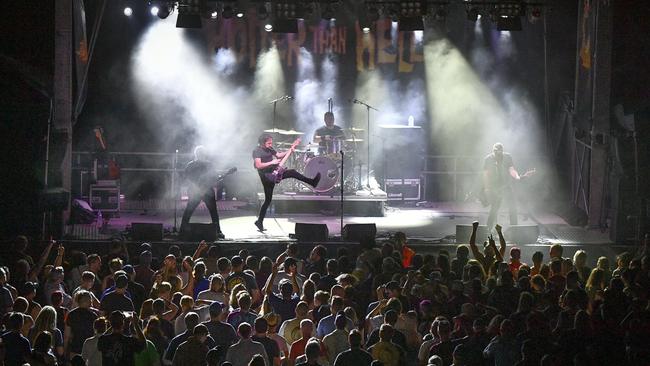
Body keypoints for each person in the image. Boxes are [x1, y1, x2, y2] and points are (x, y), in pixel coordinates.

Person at [253, 134, 320, 232]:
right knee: (268, 199)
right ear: (263, 142)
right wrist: (272, 162)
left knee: (291, 173)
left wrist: (290, 149)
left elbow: (278, 155)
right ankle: (312, 182)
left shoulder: (270, 148)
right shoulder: (257, 151)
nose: (271, 144)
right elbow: (258, 165)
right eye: (269, 143)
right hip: (267, 176)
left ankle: (259, 221)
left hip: (274, 172)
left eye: (271, 142)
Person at [482, 143, 533, 231]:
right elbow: (486, 174)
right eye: (497, 153)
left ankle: (514, 229)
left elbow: (511, 169)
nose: (499, 155)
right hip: (495, 188)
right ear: (493, 152)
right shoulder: (488, 159)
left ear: (502, 151)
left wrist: (518, 177)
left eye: (500, 153)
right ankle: (488, 229)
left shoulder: (507, 157)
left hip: (506, 186)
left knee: (512, 207)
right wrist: (487, 188)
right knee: (494, 208)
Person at [180, 145, 224, 239]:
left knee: (189, 211)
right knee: (213, 212)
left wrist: (197, 187)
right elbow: (214, 178)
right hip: (203, 191)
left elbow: (186, 178)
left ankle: (182, 230)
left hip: (200, 191)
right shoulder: (207, 164)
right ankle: (218, 231)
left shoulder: (191, 165)